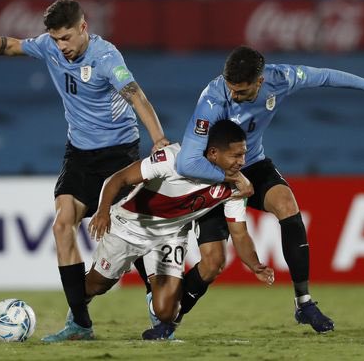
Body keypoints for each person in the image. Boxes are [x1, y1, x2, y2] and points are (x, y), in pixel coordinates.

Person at [138, 45, 364, 334]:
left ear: (260, 82)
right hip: (211, 176)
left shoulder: (281, 78)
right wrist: (233, 180)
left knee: (286, 204)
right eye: (231, 88)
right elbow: (187, 163)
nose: (233, 95)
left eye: (242, 91)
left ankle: (304, 303)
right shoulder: (212, 99)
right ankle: (169, 321)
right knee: (212, 264)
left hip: (252, 164)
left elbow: (322, 76)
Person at [0, 0, 171, 342]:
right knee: (62, 225)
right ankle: (80, 324)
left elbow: (136, 96)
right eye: (55, 39)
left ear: (84, 28)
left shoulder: (106, 57)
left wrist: (158, 140)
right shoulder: (50, 48)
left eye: (66, 37)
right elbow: (10, 46)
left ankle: (159, 311)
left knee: (133, 235)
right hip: (80, 154)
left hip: (119, 154)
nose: (61, 46)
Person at [76, 119, 274, 341]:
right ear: (214, 153)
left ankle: (153, 282)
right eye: (236, 156)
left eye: (244, 154)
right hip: (130, 226)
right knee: (96, 285)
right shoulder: (173, 157)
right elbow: (118, 179)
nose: (242, 161)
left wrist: (255, 265)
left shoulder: (235, 186)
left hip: (170, 235)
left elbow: (239, 233)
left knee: (166, 312)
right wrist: (103, 211)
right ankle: (76, 317)